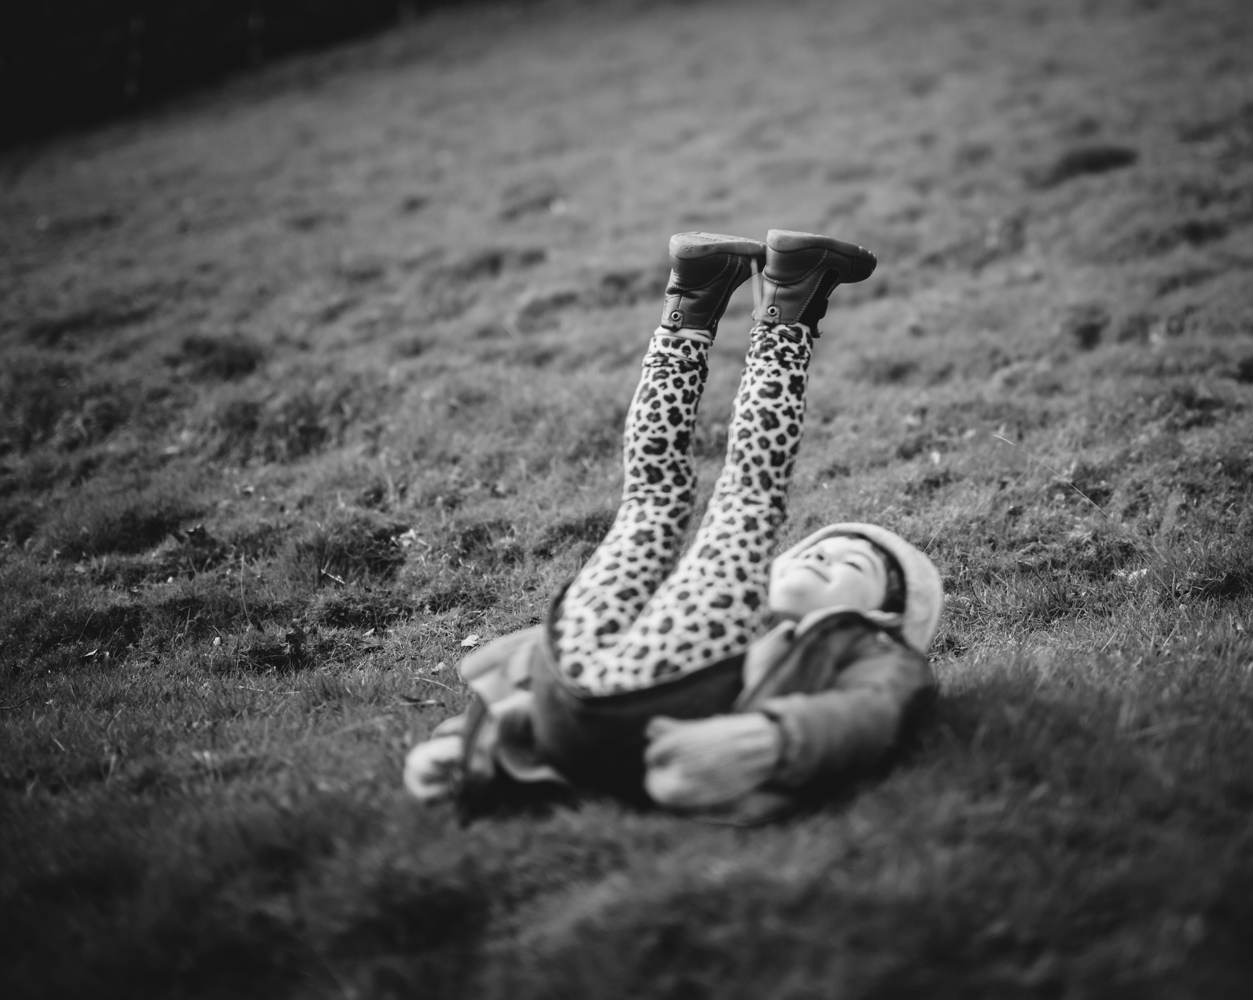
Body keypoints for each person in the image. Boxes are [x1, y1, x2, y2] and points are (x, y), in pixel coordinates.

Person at [403, 229, 944, 824]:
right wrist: (468, 740)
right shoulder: (741, 609)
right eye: (816, 551)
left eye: (853, 566)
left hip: (621, 705)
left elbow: (870, 713)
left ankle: (751, 298)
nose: (822, 557)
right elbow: (527, 677)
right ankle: (712, 300)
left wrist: (770, 739)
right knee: (658, 500)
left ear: (886, 614)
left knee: (730, 495)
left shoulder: (869, 650)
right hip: (577, 672)